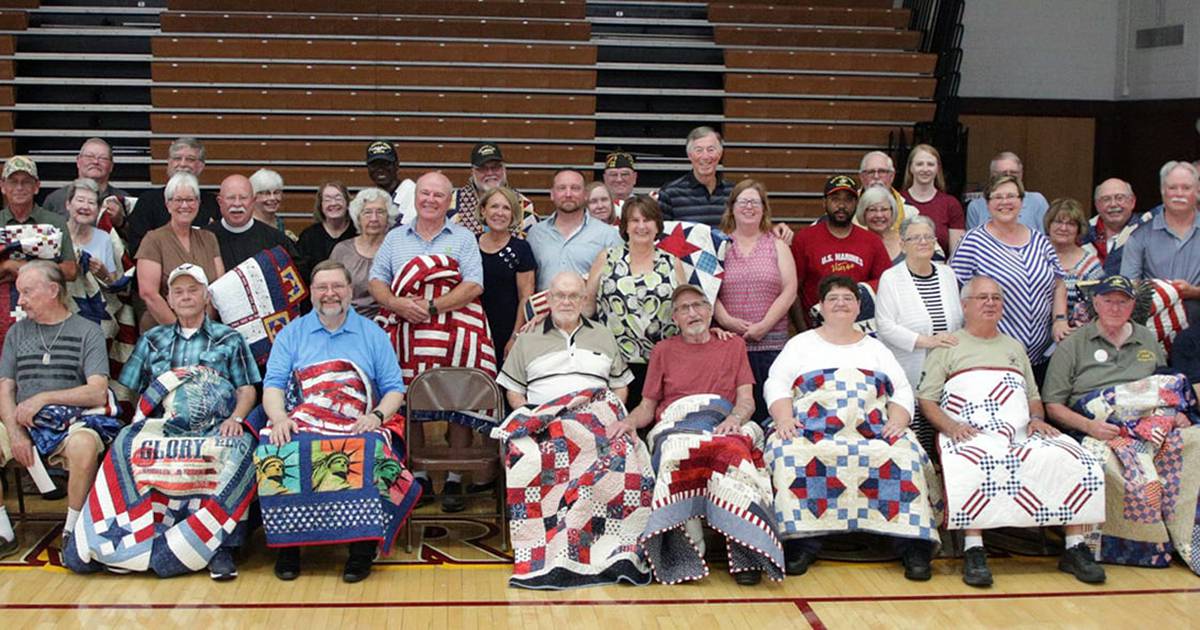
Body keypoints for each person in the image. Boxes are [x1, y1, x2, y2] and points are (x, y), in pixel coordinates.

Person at [66, 263, 260, 580]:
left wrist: (237, 418)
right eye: (178, 291)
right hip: (163, 426)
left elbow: (246, 388)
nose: (186, 297)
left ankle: (221, 547)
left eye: (193, 290)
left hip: (214, 427)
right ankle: (132, 536)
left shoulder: (230, 339)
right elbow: (129, 388)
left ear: (207, 295)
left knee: (238, 452)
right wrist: (135, 424)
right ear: (168, 299)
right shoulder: (152, 340)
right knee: (124, 447)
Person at [917, 275, 1106, 587]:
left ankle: (1075, 548)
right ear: (965, 305)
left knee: (1075, 458)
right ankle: (974, 549)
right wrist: (951, 426)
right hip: (971, 430)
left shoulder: (1014, 347)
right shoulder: (948, 345)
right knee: (972, 461)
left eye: (996, 298)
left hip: (1019, 429)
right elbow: (927, 399)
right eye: (983, 298)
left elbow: (1031, 394)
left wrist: (1035, 418)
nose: (991, 303)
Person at [763, 275, 939, 581]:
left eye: (847, 298)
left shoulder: (877, 348)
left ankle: (912, 544)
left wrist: (898, 419)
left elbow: (900, 389)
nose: (840, 304)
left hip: (872, 429)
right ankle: (802, 541)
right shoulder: (800, 344)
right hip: (812, 429)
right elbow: (777, 383)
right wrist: (784, 418)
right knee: (788, 452)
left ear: (859, 307)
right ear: (820, 306)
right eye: (833, 298)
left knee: (906, 455)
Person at [256, 261, 419, 583]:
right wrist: (279, 419)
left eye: (337, 287)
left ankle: (360, 549)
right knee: (276, 448)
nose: (330, 294)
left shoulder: (372, 334)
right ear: (312, 293)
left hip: (358, 416)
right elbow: (273, 384)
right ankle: (289, 549)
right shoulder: (292, 332)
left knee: (366, 448)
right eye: (322, 288)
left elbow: (394, 389)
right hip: (304, 414)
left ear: (350, 291)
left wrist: (375, 417)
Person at [611, 283, 782, 586]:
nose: (692, 313)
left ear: (710, 310)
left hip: (722, 421)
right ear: (674, 318)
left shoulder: (732, 345)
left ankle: (747, 552)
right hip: (677, 425)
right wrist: (629, 422)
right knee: (678, 457)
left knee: (737, 458)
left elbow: (746, 399)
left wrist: (734, 418)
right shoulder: (663, 350)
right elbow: (648, 406)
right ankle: (688, 552)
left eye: (699, 305)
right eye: (683, 309)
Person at [493, 271, 651, 589]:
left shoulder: (603, 335)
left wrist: (614, 416)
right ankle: (553, 554)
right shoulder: (528, 338)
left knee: (625, 459)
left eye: (573, 296)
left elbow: (620, 388)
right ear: (548, 299)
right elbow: (513, 391)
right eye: (560, 295)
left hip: (597, 421)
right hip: (548, 422)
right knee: (536, 459)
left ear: (583, 300)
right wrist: (529, 415)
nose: (566, 301)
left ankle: (620, 552)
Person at [1042, 274, 1200, 575]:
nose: (1115, 307)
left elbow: (1163, 384)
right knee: (1115, 459)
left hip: (1152, 423)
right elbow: (1053, 406)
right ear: (1096, 303)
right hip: (1099, 425)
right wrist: (1090, 427)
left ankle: (1189, 538)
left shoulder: (1146, 338)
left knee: (1195, 442)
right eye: (1109, 300)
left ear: (1132, 306)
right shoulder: (1073, 344)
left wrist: (1175, 413)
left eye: (1123, 301)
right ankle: (1127, 545)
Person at [368, 171, 490, 514]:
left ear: (448, 200)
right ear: (416, 197)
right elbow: (377, 279)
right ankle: (418, 476)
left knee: (458, 401)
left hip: (455, 331)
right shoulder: (394, 239)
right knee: (410, 402)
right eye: (425, 194)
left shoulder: (465, 237)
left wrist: (433, 306)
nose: (431, 200)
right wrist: (397, 304)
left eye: (438, 195)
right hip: (407, 331)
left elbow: (474, 285)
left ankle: (454, 477)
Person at [0, 262, 115, 557]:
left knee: (84, 445)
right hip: (20, 421)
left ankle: (73, 530)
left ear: (53, 291)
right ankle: (2, 530)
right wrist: (15, 433)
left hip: (70, 421)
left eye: (26, 292)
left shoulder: (88, 331)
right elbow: (5, 389)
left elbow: (97, 391)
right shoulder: (16, 333)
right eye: (18, 293)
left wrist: (44, 398)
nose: (20, 300)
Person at [951, 175, 1068, 384]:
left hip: (1042, 354)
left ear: (1022, 202)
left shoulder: (1040, 240)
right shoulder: (973, 241)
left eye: (1011, 196)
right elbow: (956, 289)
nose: (1005, 202)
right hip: (994, 353)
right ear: (987, 204)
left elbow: (1059, 283)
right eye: (998, 197)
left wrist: (1060, 320)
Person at [584, 195, 686, 410]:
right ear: (625, 226)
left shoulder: (672, 262)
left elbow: (686, 311)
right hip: (614, 364)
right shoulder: (607, 258)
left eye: (647, 220)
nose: (641, 226)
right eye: (634, 220)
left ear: (657, 225)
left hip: (662, 364)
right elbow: (586, 306)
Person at [875, 216, 963, 453]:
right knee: (918, 432)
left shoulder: (947, 275)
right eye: (915, 238)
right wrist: (927, 341)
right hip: (911, 366)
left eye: (928, 237)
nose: (923, 242)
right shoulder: (891, 278)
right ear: (902, 244)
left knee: (945, 430)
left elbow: (958, 320)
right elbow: (885, 325)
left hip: (946, 366)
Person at [714, 179, 796, 423]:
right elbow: (708, 289)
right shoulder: (719, 244)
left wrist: (764, 325)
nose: (749, 207)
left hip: (772, 347)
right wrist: (725, 320)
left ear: (764, 208)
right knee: (734, 416)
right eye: (743, 201)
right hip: (731, 345)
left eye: (755, 202)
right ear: (732, 207)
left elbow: (790, 289)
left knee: (768, 415)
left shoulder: (778, 245)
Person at [789, 174, 891, 328]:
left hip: (860, 330)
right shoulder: (804, 238)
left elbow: (887, 285)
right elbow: (792, 290)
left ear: (857, 204)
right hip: (817, 329)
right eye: (835, 199)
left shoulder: (872, 241)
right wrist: (803, 330)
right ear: (824, 203)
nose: (842, 205)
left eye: (848, 200)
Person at [135, 172, 223, 331]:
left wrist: (201, 330)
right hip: (162, 331)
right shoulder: (153, 240)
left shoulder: (209, 238)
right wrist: (182, 333)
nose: (184, 205)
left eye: (190, 200)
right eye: (178, 200)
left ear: (198, 203)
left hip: (205, 332)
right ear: (168, 204)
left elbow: (218, 289)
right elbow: (148, 293)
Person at [1120, 160, 1200, 322]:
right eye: (1172, 188)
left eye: (1186, 188)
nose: (1179, 194)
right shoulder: (1139, 236)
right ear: (1163, 191)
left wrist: (1193, 292)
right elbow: (1127, 288)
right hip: (1152, 320)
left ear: (1197, 191)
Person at [525, 169, 621, 291]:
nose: (568, 194)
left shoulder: (608, 235)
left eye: (575, 188)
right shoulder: (535, 234)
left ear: (585, 195)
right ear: (552, 194)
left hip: (589, 309)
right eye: (562, 188)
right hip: (545, 308)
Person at [126, 137, 220, 253]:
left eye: (190, 159)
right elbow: (137, 248)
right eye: (177, 158)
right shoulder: (148, 201)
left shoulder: (213, 204)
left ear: (200, 166)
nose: (182, 164)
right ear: (169, 162)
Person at [477, 186, 535, 362]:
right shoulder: (469, 244)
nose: (499, 213)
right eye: (494, 206)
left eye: (506, 208)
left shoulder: (521, 249)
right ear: (483, 210)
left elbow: (526, 296)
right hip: (474, 328)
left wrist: (515, 336)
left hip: (507, 331)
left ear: (513, 214)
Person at [205, 174, 305, 276]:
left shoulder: (276, 240)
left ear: (253, 201)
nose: (237, 204)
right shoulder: (204, 237)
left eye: (243, 198)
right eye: (231, 198)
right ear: (220, 202)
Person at [0, 155, 78, 282]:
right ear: (3, 186)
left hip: (45, 297)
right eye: (13, 181)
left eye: (26, 181)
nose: (19, 187)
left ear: (36, 186)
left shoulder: (54, 222)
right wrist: (6, 266)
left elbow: (71, 271)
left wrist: (27, 268)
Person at [329, 187, 397, 319]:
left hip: (388, 323)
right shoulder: (341, 250)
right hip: (348, 322)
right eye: (367, 212)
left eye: (380, 212)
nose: (374, 218)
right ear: (358, 218)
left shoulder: (396, 249)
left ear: (389, 217)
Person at [448, 142, 537, 236]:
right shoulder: (452, 203)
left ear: (504, 169)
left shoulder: (523, 205)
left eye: (495, 167)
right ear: (472, 171)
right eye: (483, 168)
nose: (490, 173)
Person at [658, 126, 735, 227]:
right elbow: (662, 236)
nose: (705, 156)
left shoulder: (733, 193)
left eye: (711, 150)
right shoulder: (670, 193)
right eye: (699, 150)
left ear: (720, 154)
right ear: (689, 155)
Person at [1046, 198, 1103, 327]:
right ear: (1048, 224)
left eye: (1071, 224)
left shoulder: (1090, 265)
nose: (1063, 228)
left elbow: (1094, 308)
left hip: (1070, 333)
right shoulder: (1033, 251)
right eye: (1058, 222)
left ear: (1078, 229)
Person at [41, 138, 127, 224]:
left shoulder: (123, 200)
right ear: (78, 161)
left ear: (111, 166)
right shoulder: (56, 199)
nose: (95, 161)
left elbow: (134, 235)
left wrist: (120, 221)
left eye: (103, 158)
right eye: (89, 156)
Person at [901, 143, 965, 255]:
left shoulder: (951, 204)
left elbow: (957, 254)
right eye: (919, 164)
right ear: (911, 168)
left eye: (930, 164)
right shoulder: (898, 201)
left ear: (937, 169)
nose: (925, 169)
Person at [965, 151, 1050, 233]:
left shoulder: (1037, 201)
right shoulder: (976, 207)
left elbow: (1047, 238)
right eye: (1003, 173)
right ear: (992, 175)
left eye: (1013, 173)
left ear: (1021, 174)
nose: (1009, 177)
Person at [1085, 178, 1150, 275]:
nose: (1113, 204)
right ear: (1097, 205)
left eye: (1119, 198)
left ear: (1132, 202)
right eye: (1106, 199)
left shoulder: (1147, 230)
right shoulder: (1082, 234)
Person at [63, 178, 116, 283]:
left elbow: (113, 284)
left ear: (98, 209)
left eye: (91, 202)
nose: (85, 207)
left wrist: (103, 274)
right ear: (68, 204)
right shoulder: (56, 234)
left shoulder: (104, 238)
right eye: (80, 200)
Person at [297, 180, 356, 267]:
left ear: (347, 203)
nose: (333, 203)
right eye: (327, 200)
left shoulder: (357, 233)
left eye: (338, 198)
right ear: (321, 206)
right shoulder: (308, 236)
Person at [857, 150, 917, 234]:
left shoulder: (909, 211)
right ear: (862, 177)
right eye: (871, 172)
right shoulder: (850, 207)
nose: (876, 176)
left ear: (892, 176)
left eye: (882, 171)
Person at [364, 139, 416, 224]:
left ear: (396, 165)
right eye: (374, 165)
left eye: (385, 163)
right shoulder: (368, 198)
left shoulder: (411, 194)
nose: (380, 169)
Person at [856, 184, 902, 261]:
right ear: (863, 213)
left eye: (884, 209)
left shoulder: (907, 241)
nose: (879, 215)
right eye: (872, 210)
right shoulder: (856, 243)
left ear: (892, 211)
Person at [249, 168, 297, 240]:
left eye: (276, 192)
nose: (272, 198)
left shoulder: (279, 223)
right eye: (266, 193)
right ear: (253, 195)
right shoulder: (246, 225)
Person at [603, 151, 638, 215]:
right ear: (605, 178)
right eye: (613, 174)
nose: (619, 179)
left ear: (634, 178)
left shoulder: (645, 208)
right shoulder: (596, 208)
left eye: (624, 174)